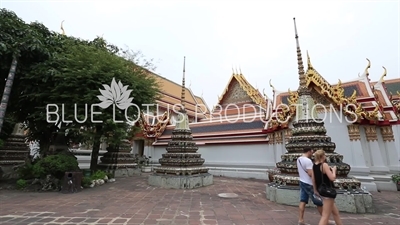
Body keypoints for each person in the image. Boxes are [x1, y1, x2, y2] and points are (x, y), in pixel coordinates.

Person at [297, 148, 335, 225]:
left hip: (302, 181)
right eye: (311, 151)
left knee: (303, 200)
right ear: (308, 151)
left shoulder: (299, 159)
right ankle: (325, 219)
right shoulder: (308, 161)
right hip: (309, 183)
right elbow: (311, 174)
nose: (312, 153)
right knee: (318, 202)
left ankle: (301, 219)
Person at [312, 150, 343, 225]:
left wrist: (315, 190)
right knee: (325, 216)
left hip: (321, 190)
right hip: (327, 192)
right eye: (324, 155)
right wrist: (334, 170)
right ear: (322, 156)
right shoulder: (324, 165)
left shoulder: (314, 165)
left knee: (335, 213)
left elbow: (313, 179)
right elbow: (332, 178)